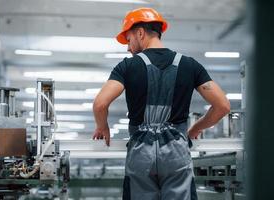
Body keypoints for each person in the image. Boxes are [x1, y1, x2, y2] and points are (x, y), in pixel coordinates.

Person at [92, 7, 230, 200]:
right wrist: (194, 130)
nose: (128, 47)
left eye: (129, 39)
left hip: (141, 153)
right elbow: (223, 106)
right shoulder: (190, 65)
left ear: (140, 33)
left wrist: (102, 126)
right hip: (176, 152)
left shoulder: (127, 66)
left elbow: (100, 104)